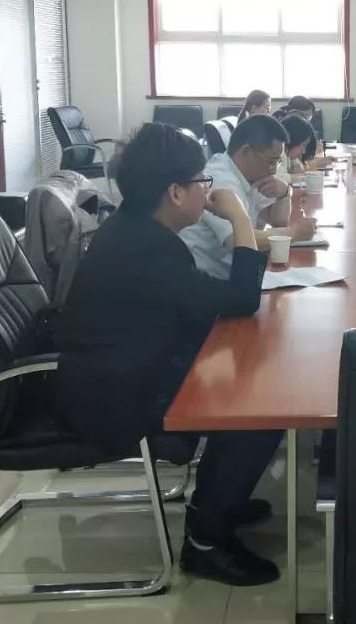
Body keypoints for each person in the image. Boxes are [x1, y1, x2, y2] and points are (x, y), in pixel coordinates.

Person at [56, 123, 283, 586]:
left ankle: (219, 501)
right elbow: (241, 300)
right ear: (176, 192)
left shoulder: (138, 230)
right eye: (202, 181)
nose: (208, 190)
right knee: (258, 408)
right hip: (116, 394)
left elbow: (199, 303)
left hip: (128, 366)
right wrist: (239, 218)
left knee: (249, 378)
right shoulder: (148, 250)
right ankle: (205, 541)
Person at [182, 115, 316, 278]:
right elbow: (238, 242)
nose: (274, 170)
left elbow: (277, 221)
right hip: (211, 281)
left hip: (236, 274)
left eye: (278, 162)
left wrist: (285, 194)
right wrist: (294, 233)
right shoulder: (221, 179)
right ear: (246, 151)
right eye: (271, 161)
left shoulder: (250, 174)